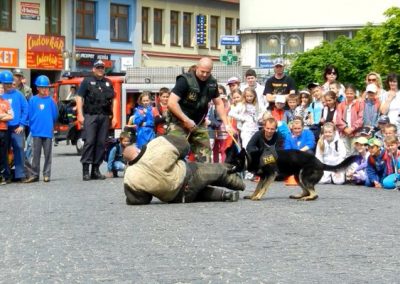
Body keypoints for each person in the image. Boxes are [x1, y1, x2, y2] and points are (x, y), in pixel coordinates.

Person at [123, 135, 245, 205]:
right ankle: (241, 184)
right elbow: (184, 146)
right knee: (219, 171)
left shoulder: (130, 176)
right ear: (137, 149)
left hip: (176, 197)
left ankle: (224, 195)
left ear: (128, 162)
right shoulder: (155, 145)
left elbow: (139, 199)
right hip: (189, 175)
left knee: (197, 193)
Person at [167, 57, 232, 163]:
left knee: (205, 156)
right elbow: (171, 103)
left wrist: (227, 124)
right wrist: (186, 120)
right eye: (202, 71)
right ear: (197, 67)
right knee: (174, 153)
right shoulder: (185, 80)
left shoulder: (212, 82)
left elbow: (219, 103)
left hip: (199, 123)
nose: (205, 75)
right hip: (179, 122)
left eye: (208, 72)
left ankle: (204, 178)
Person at [76, 59, 118, 181]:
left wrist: (115, 116)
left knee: (101, 143)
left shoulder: (108, 83)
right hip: (91, 115)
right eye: (98, 67)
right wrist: (80, 114)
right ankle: (85, 170)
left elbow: (114, 100)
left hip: (104, 116)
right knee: (89, 142)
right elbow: (79, 97)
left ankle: (96, 169)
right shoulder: (87, 81)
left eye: (102, 68)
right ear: (93, 69)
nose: (100, 70)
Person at [24, 75, 58, 183]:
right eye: (42, 87)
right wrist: (32, 126)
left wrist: (49, 125)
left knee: (48, 154)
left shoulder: (51, 101)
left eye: (46, 87)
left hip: (47, 131)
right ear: (37, 88)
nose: (44, 89)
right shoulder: (33, 100)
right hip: (36, 131)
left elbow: (55, 115)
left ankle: (46, 174)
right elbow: (29, 114)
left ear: (48, 88)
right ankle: (35, 174)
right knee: (36, 154)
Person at [0, 70, 29, 182]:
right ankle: (5, 175)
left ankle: (20, 174)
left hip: (16, 128)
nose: (8, 85)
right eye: (5, 83)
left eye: (9, 83)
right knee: (4, 152)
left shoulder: (19, 95)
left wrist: (22, 124)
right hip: (3, 129)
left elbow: (25, 109)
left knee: (19, 149)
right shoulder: (1, 95)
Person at [335, 84, 364, 156]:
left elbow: (361, 118)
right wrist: (345, 128)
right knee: (345, 152)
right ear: (345, 93)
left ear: (354, 93)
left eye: (351, 93)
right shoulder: (341, 105)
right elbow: (338, 119)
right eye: (347, 93)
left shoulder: (359, 104)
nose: (349, 95)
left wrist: (352, 128)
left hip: (355, 132)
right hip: (344, 132)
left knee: (355, 152)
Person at [0, 85, 13, 185]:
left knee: (4, 154)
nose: (1, 90)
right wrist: (4, 115)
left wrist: (1, 116)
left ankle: (6, 176)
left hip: (3, 131)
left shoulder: (6, 102)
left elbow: (11, 116)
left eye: (2, 88)